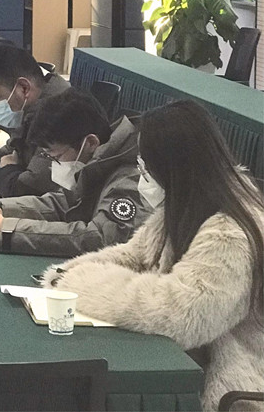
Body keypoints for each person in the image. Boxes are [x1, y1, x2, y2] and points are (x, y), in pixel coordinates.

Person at [42, 100, 264, 411]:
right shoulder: (185, 205)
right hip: (187, 362)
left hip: (229, 385)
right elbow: (134, 256)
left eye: (146, 169)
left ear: (173, 169)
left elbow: (181, 314)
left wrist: (81, 285)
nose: (142, 178)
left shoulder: (232, 232)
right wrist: (67, 274)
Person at [0, 87, 150, 256]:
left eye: (57, 156)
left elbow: (99, 238)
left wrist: (7, 230)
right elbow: (63, 203)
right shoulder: (98, 163)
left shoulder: (129, 178)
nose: (54, 164)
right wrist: (0, 208)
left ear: (90, 143)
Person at [0, 42, 70, 197]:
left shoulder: (59, 115)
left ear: (24, 88)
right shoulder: (29, 109)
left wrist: (7, 170)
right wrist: (9, 173)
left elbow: (27, 189)